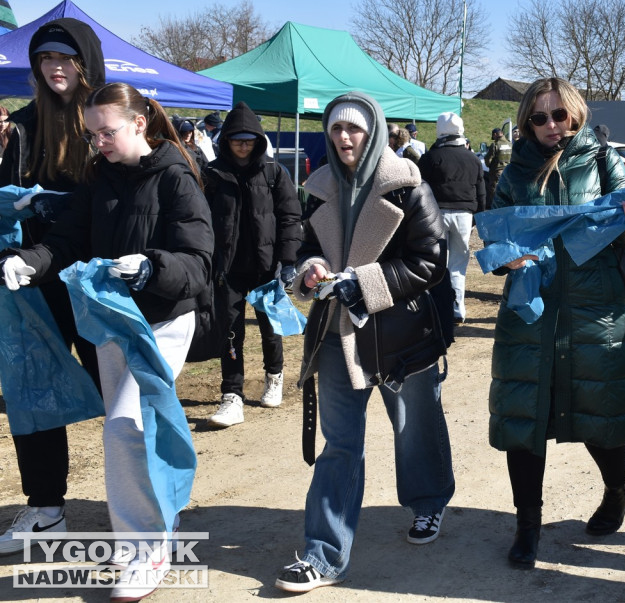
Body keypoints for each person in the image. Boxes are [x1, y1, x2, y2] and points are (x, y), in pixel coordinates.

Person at [0, 81, 214, 601]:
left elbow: (199, 264)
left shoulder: (177, 177)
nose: (97, 142)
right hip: (112, 320)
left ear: (139, 123)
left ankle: (148, 547)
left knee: (126, 425)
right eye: (92, 133)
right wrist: (28, 262)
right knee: (129, 429)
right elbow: (66, 242)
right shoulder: (100, 179)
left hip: (163, 320)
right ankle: (144, 533)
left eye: (106, 131)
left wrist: (150, 267)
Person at [274, 91, 454, 593]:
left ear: (373, 132)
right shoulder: (321, 186)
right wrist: (310, 269)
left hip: (402, 334)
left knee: (414, 426)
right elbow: (308, 247)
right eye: (336, 129)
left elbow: (430, 260)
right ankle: (323, 554)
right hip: (338, 333)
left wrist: (365, 283)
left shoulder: (407, 184)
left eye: (354, 128)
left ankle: (428, 504)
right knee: (341, 445)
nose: (345, 137)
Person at [487, 77, 625, 571]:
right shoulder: (513, 172)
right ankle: (526, 526)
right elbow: (493, 233)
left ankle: (618, 489)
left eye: (560, 115)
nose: (552, 125)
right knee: (524, 418)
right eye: (540, 117)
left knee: (598, 413)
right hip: (530, 312)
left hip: (593, 308)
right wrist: (505, 257)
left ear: (575, 113)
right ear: (526, 122)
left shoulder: (603, 160)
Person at [0, 18, 105, 555]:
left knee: (123, 394)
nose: (54, 68)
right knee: (33, 392)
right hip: (31, 284)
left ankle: (145, 505)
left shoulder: (106, 122)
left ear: (85, 64)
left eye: (64, 58)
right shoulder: (17, 127)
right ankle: (46, 509)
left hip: (98, 283)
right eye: (44, 60)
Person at [204, 101, 302, 428]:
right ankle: (232, 394)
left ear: (258, 141)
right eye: (237, 139)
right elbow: (200, 219)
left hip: (266, 267)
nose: (243, 145)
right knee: (229, 333)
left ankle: (274, 376)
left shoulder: (274, 172)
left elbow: (290, 217)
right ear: (227, 139)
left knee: (270, 328)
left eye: (249, 139)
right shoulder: (212, 174)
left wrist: (287, 261)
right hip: (227, 268)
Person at [417, 112, 485, 323]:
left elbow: (419, 189)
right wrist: (479, 218)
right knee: (458, 263)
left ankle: (438, 306)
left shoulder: (430, 158)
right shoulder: (473, 159)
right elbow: (481, 191)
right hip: (464, 215)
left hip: (436, 214)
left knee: (437, 262)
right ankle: (457, 307)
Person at [484, 127, 512, 208]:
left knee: (494, 190)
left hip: (497, 171)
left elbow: (488, 159)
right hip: (508, 171)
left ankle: (495, 208)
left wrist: (490, 166)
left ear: (495, 134)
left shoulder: (495, 145)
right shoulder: (510, 144)